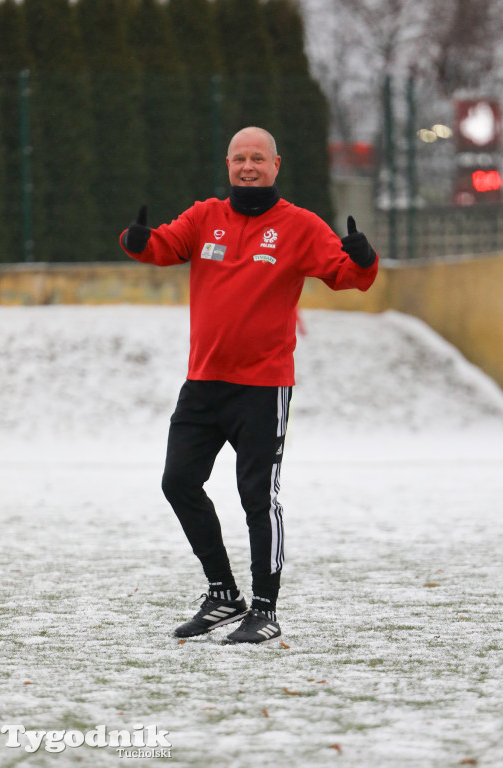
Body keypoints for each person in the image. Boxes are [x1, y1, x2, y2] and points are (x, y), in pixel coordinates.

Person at [120, 126, 379, 644]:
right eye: (239, 158)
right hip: (203, 383)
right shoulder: (204, 216)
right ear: (227, 164)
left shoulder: (300, 226)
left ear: (276, 165)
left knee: (257, 497)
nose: (248, 166)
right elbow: (166, 247)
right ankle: (222, 595)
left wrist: (363, 257)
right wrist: (139, 240)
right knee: (178, 482)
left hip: (263, 386)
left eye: (258, 158)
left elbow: (348, 275)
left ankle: (265, 608)